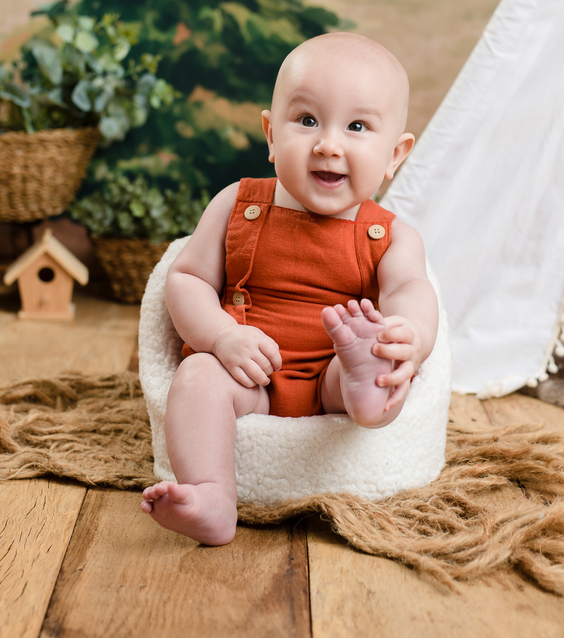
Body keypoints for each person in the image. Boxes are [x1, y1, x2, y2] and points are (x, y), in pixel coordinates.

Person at [141, 32, 439, 544]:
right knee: (196, 378)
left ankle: (366, 385)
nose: (328, 144)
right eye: (306, 121)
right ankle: (211, 495)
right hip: (249, 376)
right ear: (271, 134)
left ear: (395, 154)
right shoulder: (238, 204)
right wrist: (218, 337)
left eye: (358, 126)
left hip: (331, 373)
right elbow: (186, 278)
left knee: (371, 355)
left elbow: (412, 289)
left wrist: (404, 334)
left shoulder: (389, 236)